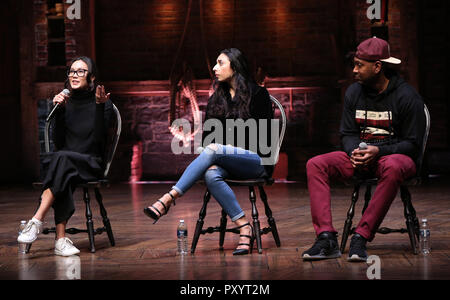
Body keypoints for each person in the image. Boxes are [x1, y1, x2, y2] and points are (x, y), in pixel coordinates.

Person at [302, 37, 426, 262]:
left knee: (394, 166)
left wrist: (378, 151)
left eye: (360, 65)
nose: (354, 70)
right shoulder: (353, 93)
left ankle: (361, 236)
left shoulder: (407, 96)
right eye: (354, 64)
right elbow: (347, 134)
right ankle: (326, 238)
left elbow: (412, 144)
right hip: (361, 158)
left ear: (377, 67)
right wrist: (355, 153)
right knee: (315, 164)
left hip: (394, 159)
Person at [143, 48, 274, 255]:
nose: (214, 68)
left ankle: (168, 198)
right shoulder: (217, 99)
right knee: (211, 174)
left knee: (214, 150)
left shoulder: (258, 94)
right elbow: (208, 141)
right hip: (227, 162)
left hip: (256, 161)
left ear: (235, 66)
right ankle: (244, 226)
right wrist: (223, 151)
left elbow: (267, 141)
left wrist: (228, 148)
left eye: (220, 63)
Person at [17, 56, 113, 256]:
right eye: (72, 71)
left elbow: (99, 141)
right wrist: (59, 111)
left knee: (61, 162)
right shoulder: (65, 101)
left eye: (81, 71)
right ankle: (60, 240)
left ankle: (37, 220)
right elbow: (59, 142)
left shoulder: (102, 101)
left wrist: (98, 106)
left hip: (90, 162)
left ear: (92, 76)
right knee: (62, 165)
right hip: (67, 164)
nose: (74, 75)